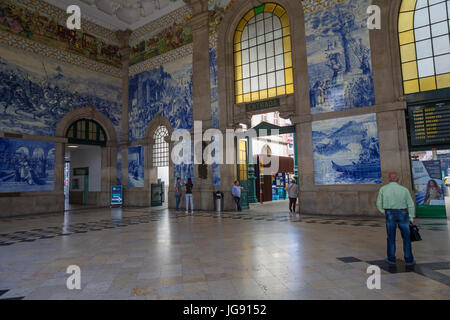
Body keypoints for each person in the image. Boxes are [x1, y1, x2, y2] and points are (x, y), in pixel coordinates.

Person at [376, 172, 416, 266]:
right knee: (406, 238)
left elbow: (378, 204)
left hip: (390, 213)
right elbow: (410, 204)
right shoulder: (404, 189)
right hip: (403, 213)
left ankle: (391, 259)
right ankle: (409, 259)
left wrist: (385, 211)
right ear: (398, 180)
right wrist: (411, 217)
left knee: (391, 237)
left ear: (389, 179)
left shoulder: (383, 189)